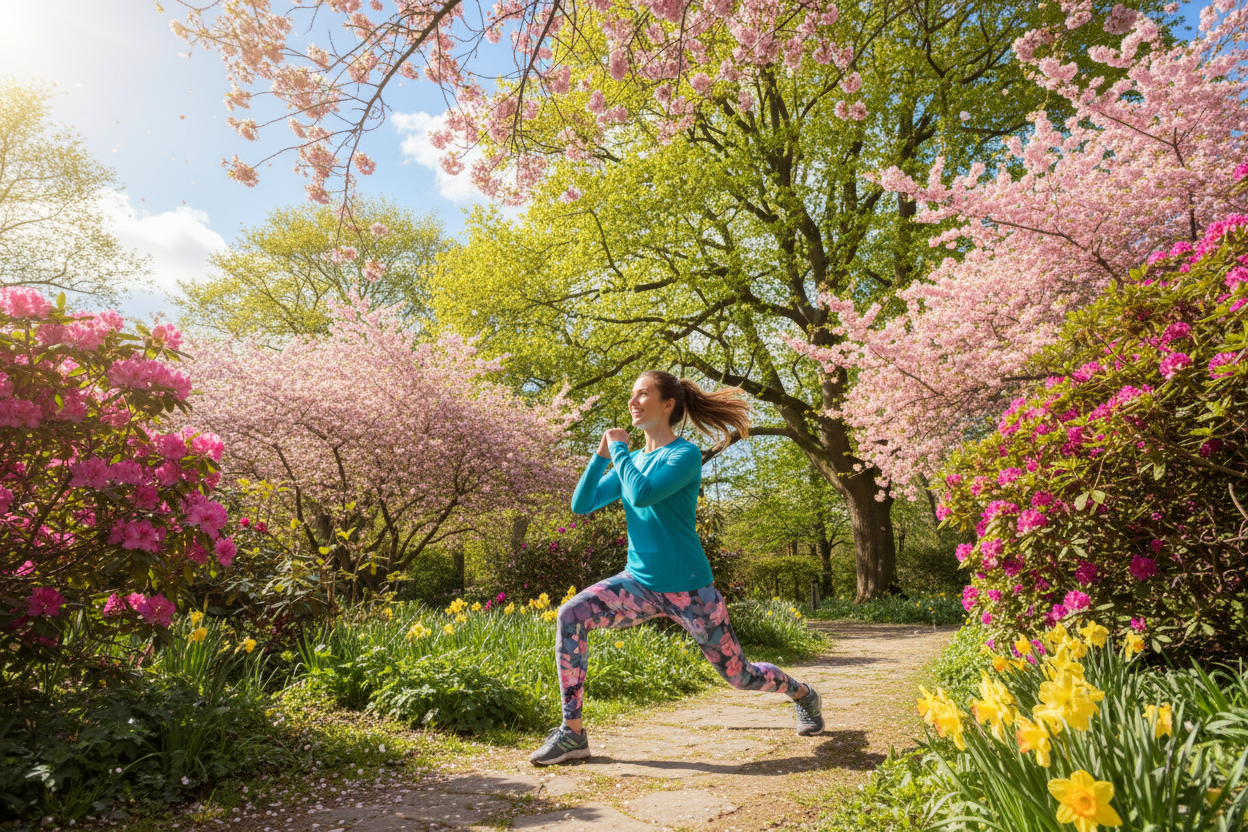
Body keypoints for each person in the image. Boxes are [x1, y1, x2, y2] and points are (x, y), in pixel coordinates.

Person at [529, 370, 823, 766]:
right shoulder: (632, 460)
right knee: (571, 615)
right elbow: (582, 505)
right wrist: (601, 455)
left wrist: (617, 451)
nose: (633, 401)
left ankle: (803, 694)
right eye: (631, 395)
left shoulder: (682, 455)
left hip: (690, 589)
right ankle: (573, 734)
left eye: (642, 394)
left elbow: (642, 494)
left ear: (667, 405)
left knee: (740, 676)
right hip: (638, 584)